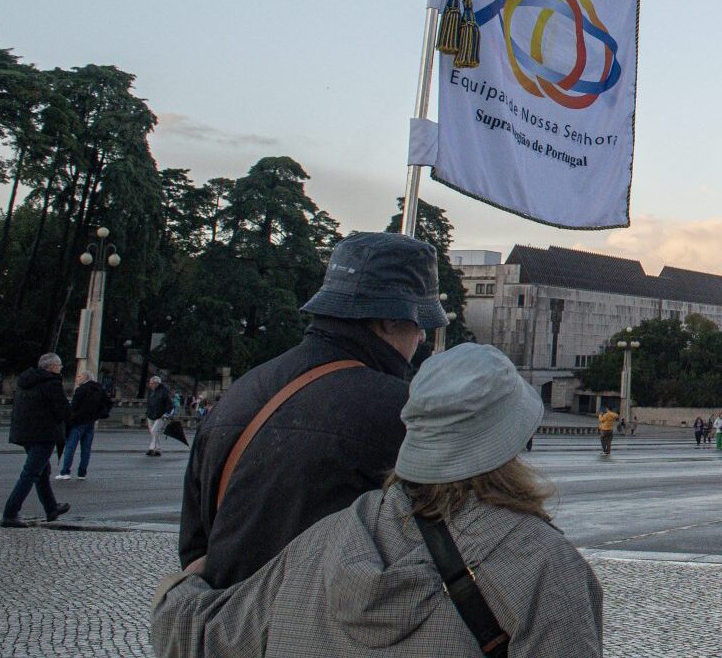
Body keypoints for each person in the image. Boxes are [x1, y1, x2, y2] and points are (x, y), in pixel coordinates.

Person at [152, 344, 602, 658]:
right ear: (514, 440)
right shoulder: (543, 565)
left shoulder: (326, 540)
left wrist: (183, 585)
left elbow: (206, 637)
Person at [178, 232, 448, 589]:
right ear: (390, 319)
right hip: (329, 619)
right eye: (419, 323)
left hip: (232, 616)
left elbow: (195, 551)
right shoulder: (401, 411)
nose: (422, 337)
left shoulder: (239, 393)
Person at [0, 353, 71, 527]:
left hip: (25, 433)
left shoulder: (25, 381)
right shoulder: (51, 383)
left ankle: (51, 508)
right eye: (59, 366)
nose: (60, 369)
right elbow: (63, 410)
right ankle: (10, 513)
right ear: (52, 367)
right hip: (44, 434)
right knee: (30, 474)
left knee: (42, 472)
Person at [59, 370, 109, 481]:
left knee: (70, 447)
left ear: (85, 378)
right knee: (86, 449)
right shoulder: (99, 389)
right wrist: (97, 414)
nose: (77, 378)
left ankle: (65, 472)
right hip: (90, 422)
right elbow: (107, 403)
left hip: (78, 422)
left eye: (79, 376)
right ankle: (82, 473)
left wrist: (70, 418)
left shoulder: (81, 389)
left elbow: (74, 406)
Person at [145, 375, 176, 457]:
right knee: (154, 432)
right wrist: (147, 413)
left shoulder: (164, 392)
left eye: (152, 383)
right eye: (150, 383)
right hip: (151, 414)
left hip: (161, 416)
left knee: (154, 431)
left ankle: (152, 448)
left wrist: (166, 414)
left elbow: (170, 405)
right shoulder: (151, 392)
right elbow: (149, 403)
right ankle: (158, 449)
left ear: (157, 383)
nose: (150, 384)